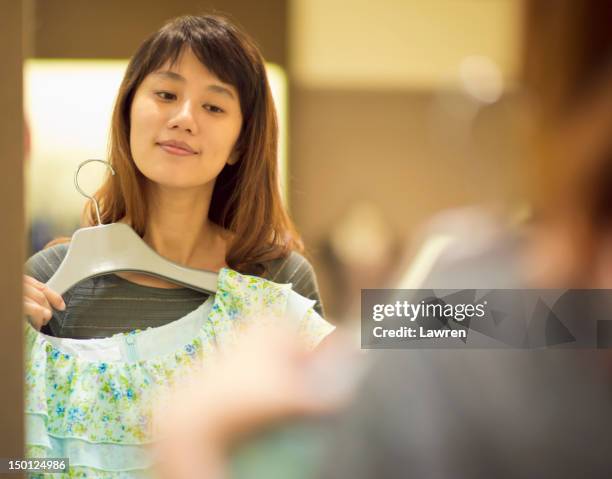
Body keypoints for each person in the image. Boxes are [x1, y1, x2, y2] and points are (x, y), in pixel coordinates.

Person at [23, 14, 325, 338]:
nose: (184, 119)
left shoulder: (283, 284)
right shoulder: (47, 283)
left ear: (240, 144)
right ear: (127, 114)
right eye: (166, 95)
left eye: (213, 107)